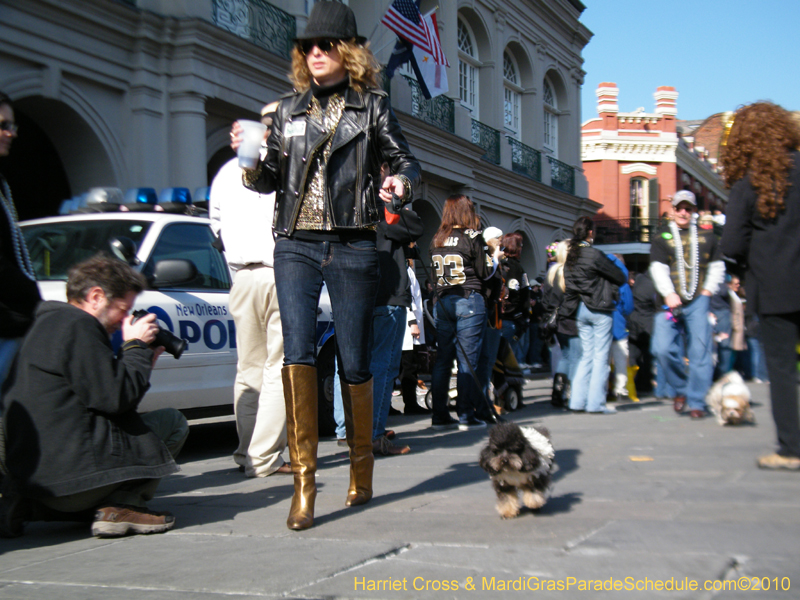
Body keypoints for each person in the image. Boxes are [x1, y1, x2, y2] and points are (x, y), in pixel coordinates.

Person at [231, 1, 420, 529]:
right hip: (295, 242)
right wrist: (249, 159)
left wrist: (399, 184)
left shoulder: (373, 107)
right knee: (297, 353)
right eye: (307, 46)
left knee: (355, 360)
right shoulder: (288, 111)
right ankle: (305, 485)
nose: (315, 53)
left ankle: (361, 466)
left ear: (348, 52)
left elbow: (406, 160)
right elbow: (268, 178)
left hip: (354, 241)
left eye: (326, 45)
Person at [0, 255, 188, 538]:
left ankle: (36, 509)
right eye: (122, 310)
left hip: (36, 480)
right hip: (73, 482)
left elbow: (99, 391)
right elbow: (116, 399)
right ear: (97, 296)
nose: (123, 320)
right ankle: (122, 505)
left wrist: (142, 360)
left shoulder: (46, 324)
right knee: (172, 422)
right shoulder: (78, 325)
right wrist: (135, 346)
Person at [209, 101, 291, 478]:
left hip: (241, 276)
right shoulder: (288, 164)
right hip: (280, 271)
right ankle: (264, 457)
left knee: (249, 368)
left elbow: (217, 229)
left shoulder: (228, 170)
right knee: (279, 367)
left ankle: (246, 451)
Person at [720, 101, 800, 470]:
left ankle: (791, 449)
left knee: (782, 370)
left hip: (774, 287)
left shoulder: (748, 183)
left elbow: (732, 244)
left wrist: (740, 267)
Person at [649, 189, 726, 419]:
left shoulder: (708, 237)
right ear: (672, 210)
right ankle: (681, 389)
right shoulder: (661, 237)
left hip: (698, 300)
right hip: (669, 301)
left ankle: (697, 402)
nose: (683, 212)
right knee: (661, 348)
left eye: (688, 208)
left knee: (700, 351)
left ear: (693, 211)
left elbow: (717, 266)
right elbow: (657, 268)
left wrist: (707, 290)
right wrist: (668, 293)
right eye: (679, 208)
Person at [429, 195, 499, 430]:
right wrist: (495, 260)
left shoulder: (437, 238)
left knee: (443, 360)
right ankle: (466, 415)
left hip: (443, 301)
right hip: (468, 299)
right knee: (468, 360)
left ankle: (439, 415)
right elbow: (485, 271)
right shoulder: (472, 236)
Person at [370, 204, 423, 456]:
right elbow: (415, 226)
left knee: (359, 367)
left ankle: (359, 430)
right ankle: (374, 434)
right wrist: (394, 200)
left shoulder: (355, 205)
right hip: (388, 296)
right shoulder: (386, 212)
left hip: (362, 295)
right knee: (385, 366)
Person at [0, 91, 41, 404]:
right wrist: (33, 299)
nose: (11, 133)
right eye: (3, 125)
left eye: (12, 125)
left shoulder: (3, 184)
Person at [562, 217, 627, 414]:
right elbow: (621, 276)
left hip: (580, 309)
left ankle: (577, 401)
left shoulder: (571, 256)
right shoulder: (595, 254)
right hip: (600, 308)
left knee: (586, 356)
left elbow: (570, 285)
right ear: (590, 232)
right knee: (600, 358)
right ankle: (595, 403)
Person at [542, 240, 579, 408]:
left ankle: (558, 392)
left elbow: (546, 300)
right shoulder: (570, 272)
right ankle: (571, 393)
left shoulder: (552, 272)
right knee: (575, 357)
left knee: (565, 356)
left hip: (556, 321)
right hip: (571, 319)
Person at [499, 232, 531, 366]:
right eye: (520, 245)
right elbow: (523, 294)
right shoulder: (517, 268)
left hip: (496, 317)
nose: (522, 248)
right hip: (511, 319)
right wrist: (522, 317)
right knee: (507, 358)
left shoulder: (497, 263)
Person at [608, 254, 634, 402]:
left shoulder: (600, 277)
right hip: (618, 323)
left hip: (601, 321)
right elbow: (629, 306)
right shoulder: (622, 282)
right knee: (620, 358)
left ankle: (603, 388)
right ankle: (620, 389)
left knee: (602, 359)